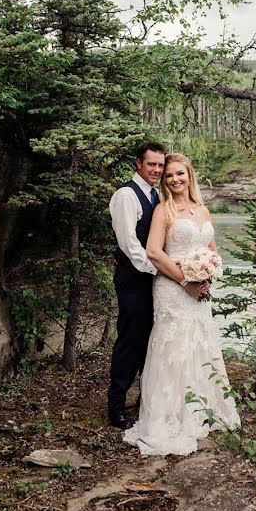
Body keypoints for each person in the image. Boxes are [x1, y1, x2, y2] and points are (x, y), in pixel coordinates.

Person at [123, 153, 240, 455]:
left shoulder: (203, 210)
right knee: (173, 348)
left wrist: (209, 272)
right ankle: (170, 418)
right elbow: (154, 252)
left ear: (190, 175)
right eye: (169, 176)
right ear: (164, 182)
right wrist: (186, 281)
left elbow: (212, 250)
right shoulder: (164, 210)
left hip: (199, 289)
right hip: (173, 289)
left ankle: (202, 412)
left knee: (200, 345)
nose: (175, 180)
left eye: (180, 174)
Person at [107, 142, 171, 429]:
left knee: (151, 340)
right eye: (151, 164)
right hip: (134, 278)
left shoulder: (156, 195)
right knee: (130, 341)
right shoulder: (125, 195)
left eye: (160, 165)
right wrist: (156, 269)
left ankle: (147, 399)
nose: (156, 169)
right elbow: (129, 243)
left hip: (153, 278)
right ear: (138, 164)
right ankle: (116, 406)